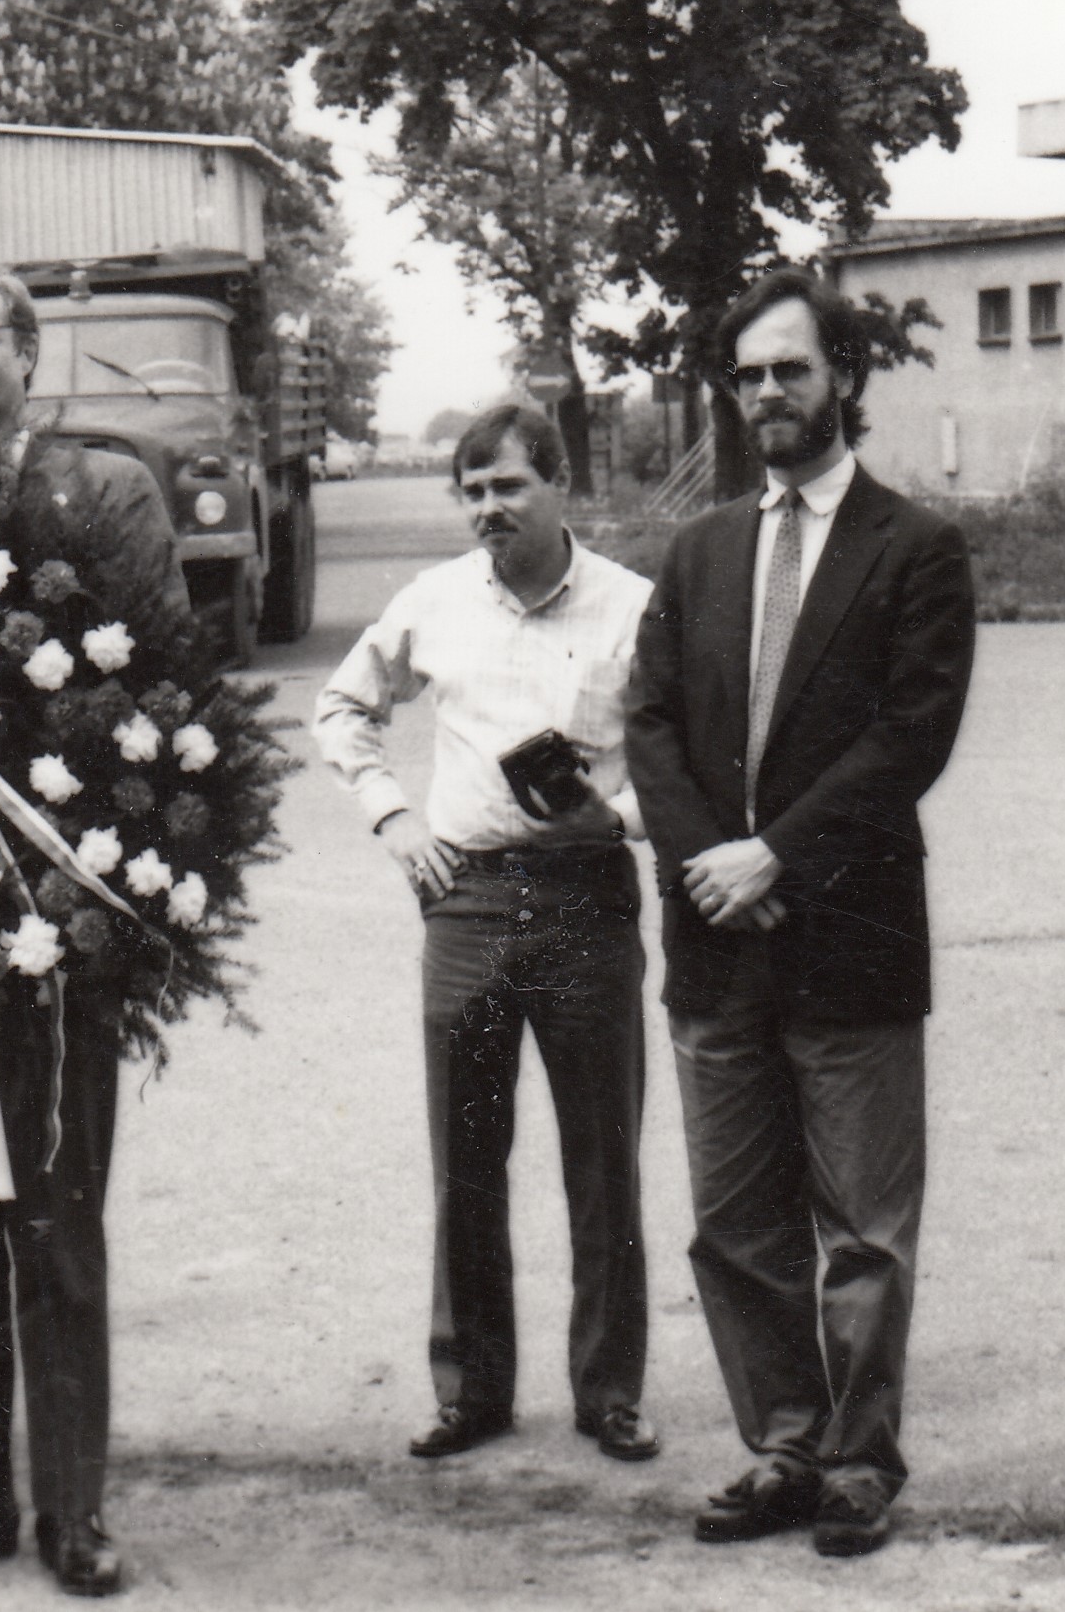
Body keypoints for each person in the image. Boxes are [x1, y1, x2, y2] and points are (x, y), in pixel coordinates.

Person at [622, 267, 976, 1558]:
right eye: (749, 375)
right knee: (734, 1225)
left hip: (848, 937)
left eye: (790, 368)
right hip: (715, 940)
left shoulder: (915, 548)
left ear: (844, 377)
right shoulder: (700, 549)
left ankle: (857, 1461)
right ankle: (781, 1442)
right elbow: (647, 720)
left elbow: (908, 736)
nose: (767, 392)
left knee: (864, 1231)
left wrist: (774, 856)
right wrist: (709, 863)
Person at [0, 259, 193, 1599]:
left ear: (24, 355)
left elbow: (166, 686)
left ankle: (72, 1508)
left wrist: (108, 894)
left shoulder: (101, 492)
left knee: (56, 1224)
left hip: (61, 910)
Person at [312, 403, 660, 1468]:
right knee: (464, 1158)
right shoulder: (433, 600)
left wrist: (617, 817)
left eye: (508, 485)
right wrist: (393, 817)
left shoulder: (632, 606)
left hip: (584, 898)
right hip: (464, 900)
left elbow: (686, 753)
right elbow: (340, 708)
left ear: (560, 485)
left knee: (602, 1159)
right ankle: (471, 1389)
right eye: (470, 491)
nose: (486, 509)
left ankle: (609, 1393)